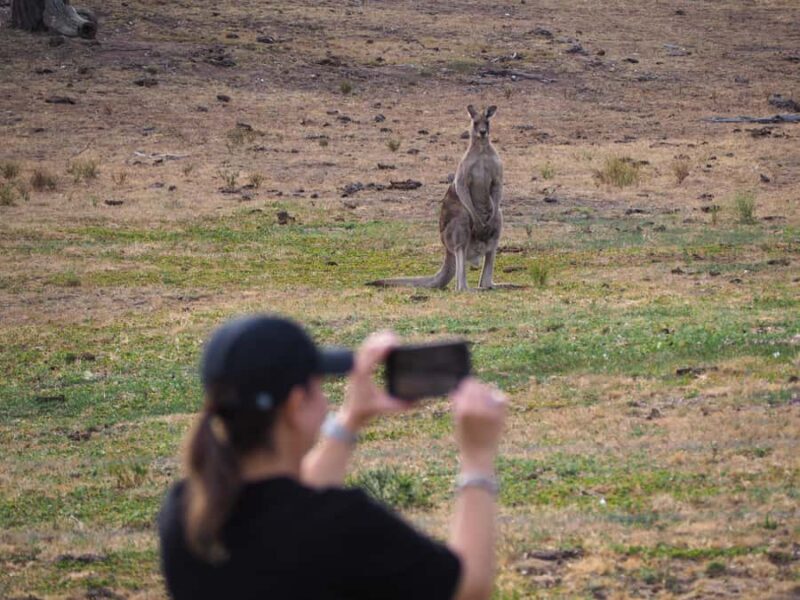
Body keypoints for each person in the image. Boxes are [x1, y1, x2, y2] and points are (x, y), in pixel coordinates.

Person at [158, 314, 507, 600]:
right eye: (319, 388)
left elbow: (285, 507)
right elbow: (468, 588)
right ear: (296, 406)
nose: (327, 403)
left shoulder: (185, 513)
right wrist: (477, 458)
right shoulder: (344, 524)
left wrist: (350, 419)